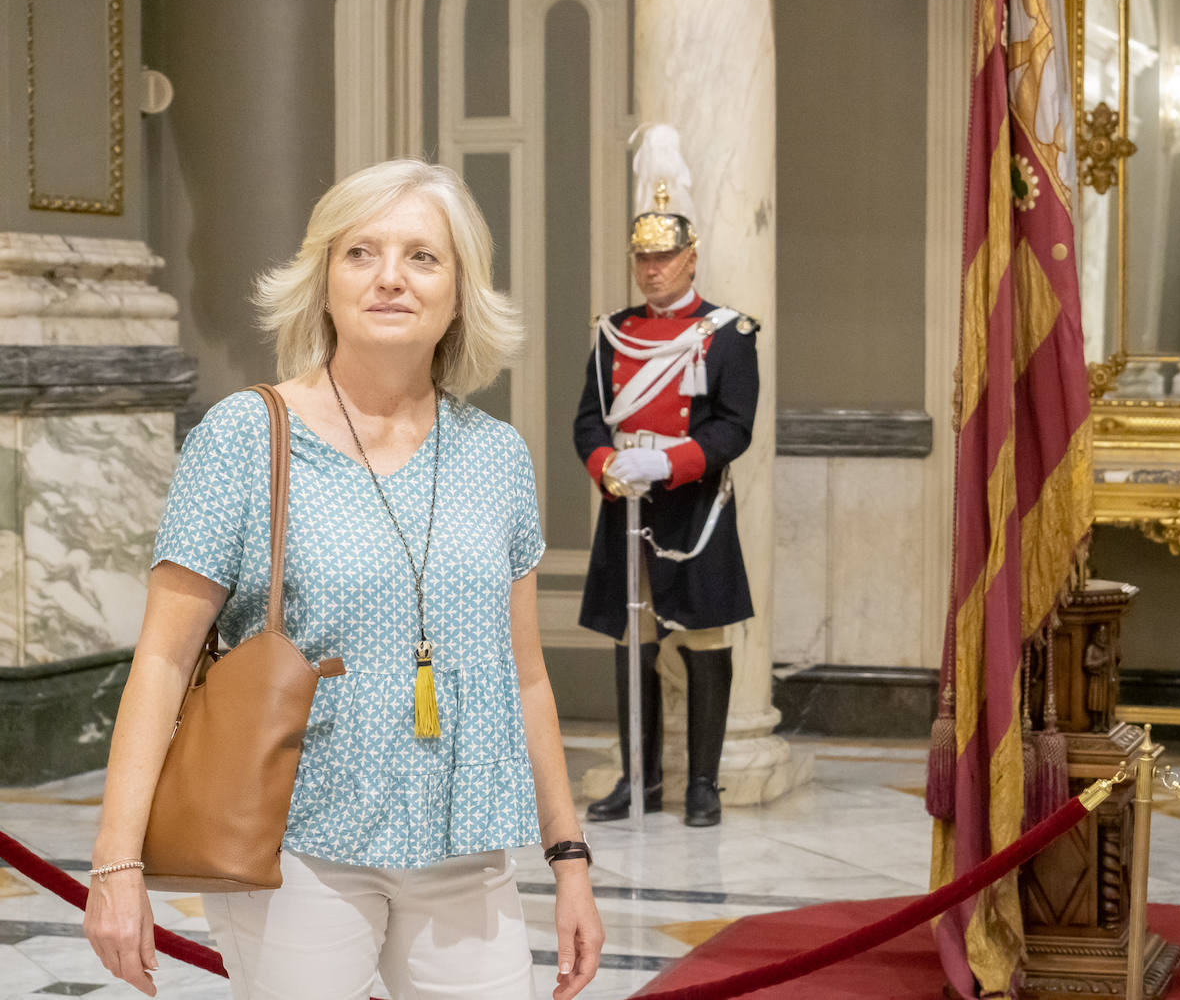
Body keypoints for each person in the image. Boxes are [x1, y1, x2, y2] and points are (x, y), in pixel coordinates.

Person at [83, 159, 603, 1000]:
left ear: (460, 288)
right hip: (297, 847)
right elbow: (164, 660)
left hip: (466, 847)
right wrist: (117, 862)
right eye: (361, 252)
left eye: (422, 257)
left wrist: (568, 856)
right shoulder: (246, 436)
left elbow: (527, 676)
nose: (390, 277)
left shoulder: (495, 455)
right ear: (323, 279)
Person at [573, 125, 759, 828]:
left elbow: (733, 428)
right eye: (643, 257)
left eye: (665, 256)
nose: (652, 270)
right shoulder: (611, 330)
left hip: (695, 504)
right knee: (635, 639)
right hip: (627, 502)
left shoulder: (728, 333)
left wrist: (669, 461)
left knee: (704, 638)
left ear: (691, 256)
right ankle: (639, 777)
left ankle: (702, 782)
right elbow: (588, 420)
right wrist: (610, 466)